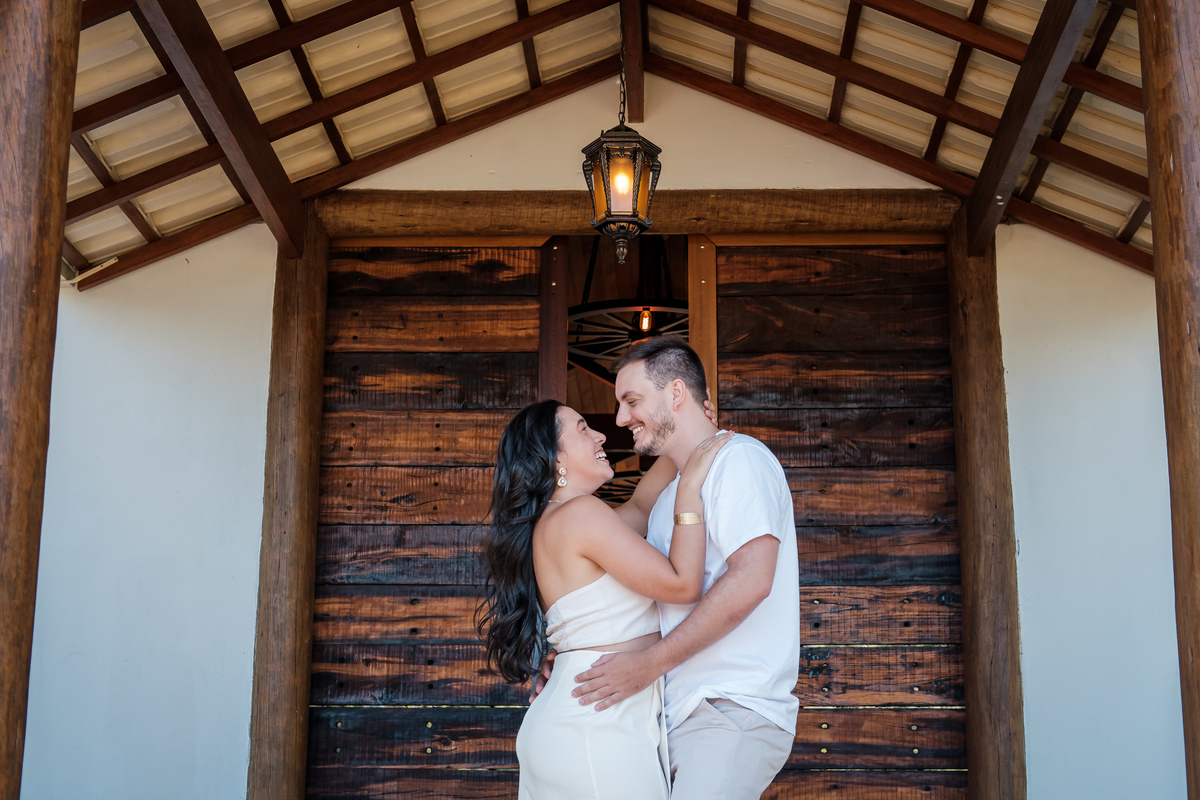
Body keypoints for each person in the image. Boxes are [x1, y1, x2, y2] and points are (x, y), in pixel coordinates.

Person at [565, 335, 801, 799]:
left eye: (631, 401)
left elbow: (752, 580)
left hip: (728, 707)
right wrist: (572, 648)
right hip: (678, 714)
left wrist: (647, 665)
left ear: (676, 393)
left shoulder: (739, 460)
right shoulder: (669, 494)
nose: (619, 419)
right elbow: (623, 558)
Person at [477, 398, 731, 800]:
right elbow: (683, 584)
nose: (600, 435)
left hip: (581, 715)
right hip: (596, 725)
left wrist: (688, 433)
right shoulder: (580, 514)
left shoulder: (560, 520)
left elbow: (642, 505)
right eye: (582, 429)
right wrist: (692, 486)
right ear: (553, 458)